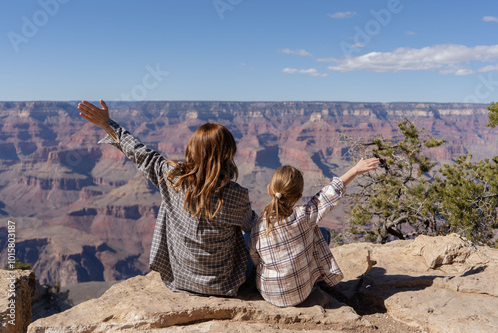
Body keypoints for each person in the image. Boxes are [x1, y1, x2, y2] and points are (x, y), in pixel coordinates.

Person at [78, 99, 257, 297]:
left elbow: (139, 152)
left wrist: (106, 123)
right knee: (248, 231)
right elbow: (251, 225)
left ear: (193, 149)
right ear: (228, 153)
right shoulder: (236, 194)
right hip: (223, 286)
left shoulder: (173, 178)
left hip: (180, 280)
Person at [249, 158, 379, 307]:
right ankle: (318, 278)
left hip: (270, 295)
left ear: (269, 189)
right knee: (323, 233)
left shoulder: (259, 225)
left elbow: (255, 258)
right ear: (298, 197)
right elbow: (329, 193)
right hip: (302, 293)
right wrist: (355, 170)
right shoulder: (305, 215)